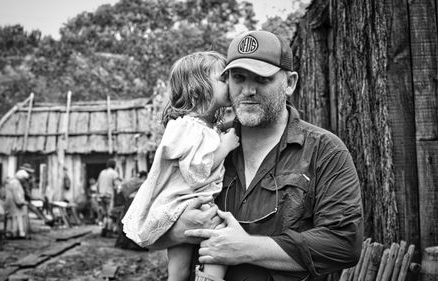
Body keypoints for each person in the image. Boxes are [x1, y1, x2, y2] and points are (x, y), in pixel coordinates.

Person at [152, 31, 364, 281]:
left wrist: (247, 249)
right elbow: (146, 222)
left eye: (262, 79)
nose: (248, 90)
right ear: (226, 81)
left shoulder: (325, 151)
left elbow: (343, 244)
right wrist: (178, 229)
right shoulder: (202, 144)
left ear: (290, 83)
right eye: (239, 78)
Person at [122, 51, 240, 281]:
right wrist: (224, 147)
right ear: (198, 89)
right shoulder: (190, 128)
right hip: (185, 205)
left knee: (179, 269)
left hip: (183, 205)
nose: (230, 83)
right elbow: (197, 172)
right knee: (219, 235)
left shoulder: (202, 126)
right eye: (223, 79)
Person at [5, 168, 31, 238]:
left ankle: (13, 232)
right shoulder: (15, 183)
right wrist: (21, 202)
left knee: (14, 218)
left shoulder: (14, 181)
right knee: (17, 218)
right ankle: (16, 233)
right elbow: (17, 194)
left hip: (12, 202)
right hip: (14, 204)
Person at [97, 159, 122, 229]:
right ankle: (108, 230)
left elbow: (98, 185)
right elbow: (118, 186)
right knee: (110, 214)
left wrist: (98, 195)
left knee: (104, 213)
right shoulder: (114, 173)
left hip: (101, 195)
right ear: (114, 165)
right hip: (109, 195)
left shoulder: (102, 172)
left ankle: (104, 229)